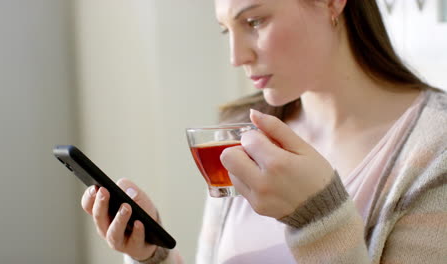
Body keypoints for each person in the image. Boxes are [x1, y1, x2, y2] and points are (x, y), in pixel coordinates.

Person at [81, 0, 447, 263]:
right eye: (227, 29)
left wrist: (319, 217)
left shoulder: (436, 149)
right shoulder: (236, 136)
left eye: (254, 21)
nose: (236, 56)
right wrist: (152, 256)